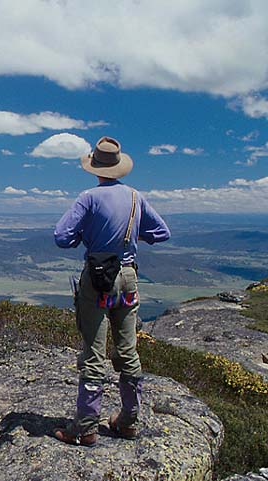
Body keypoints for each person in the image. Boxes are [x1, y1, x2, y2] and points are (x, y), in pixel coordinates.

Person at [52, 137, 170, 446]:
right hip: (129, 277)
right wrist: (130, 239)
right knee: (127, 350)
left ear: (95, 168)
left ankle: (86, 427)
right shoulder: (135, 197)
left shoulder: (88, 197)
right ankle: (128, 421)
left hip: (97, 278)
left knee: (94, 353)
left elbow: (61, 236)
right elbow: (162, 232)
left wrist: (87, 237)